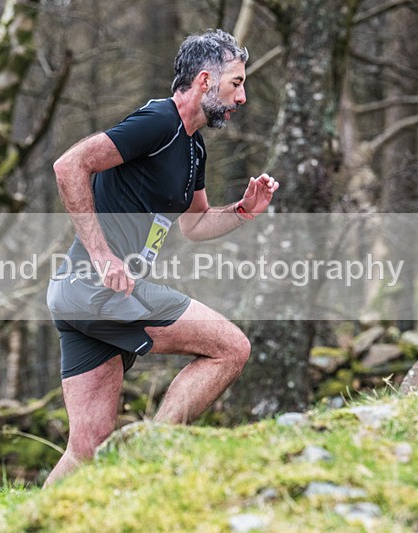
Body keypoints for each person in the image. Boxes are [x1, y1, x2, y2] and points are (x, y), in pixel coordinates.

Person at [44, 28, 279, 486]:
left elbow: (194, 224)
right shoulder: (159, 122)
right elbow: (69, 164)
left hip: (83, 297)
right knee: (231, 347)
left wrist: (244, 212)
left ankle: (28, 521)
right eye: (236, 83)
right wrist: (102, 255)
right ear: (206, 81)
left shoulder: (193, 147)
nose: (243, 96)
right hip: (95, 289)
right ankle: (155, 455)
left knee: (85, 449)